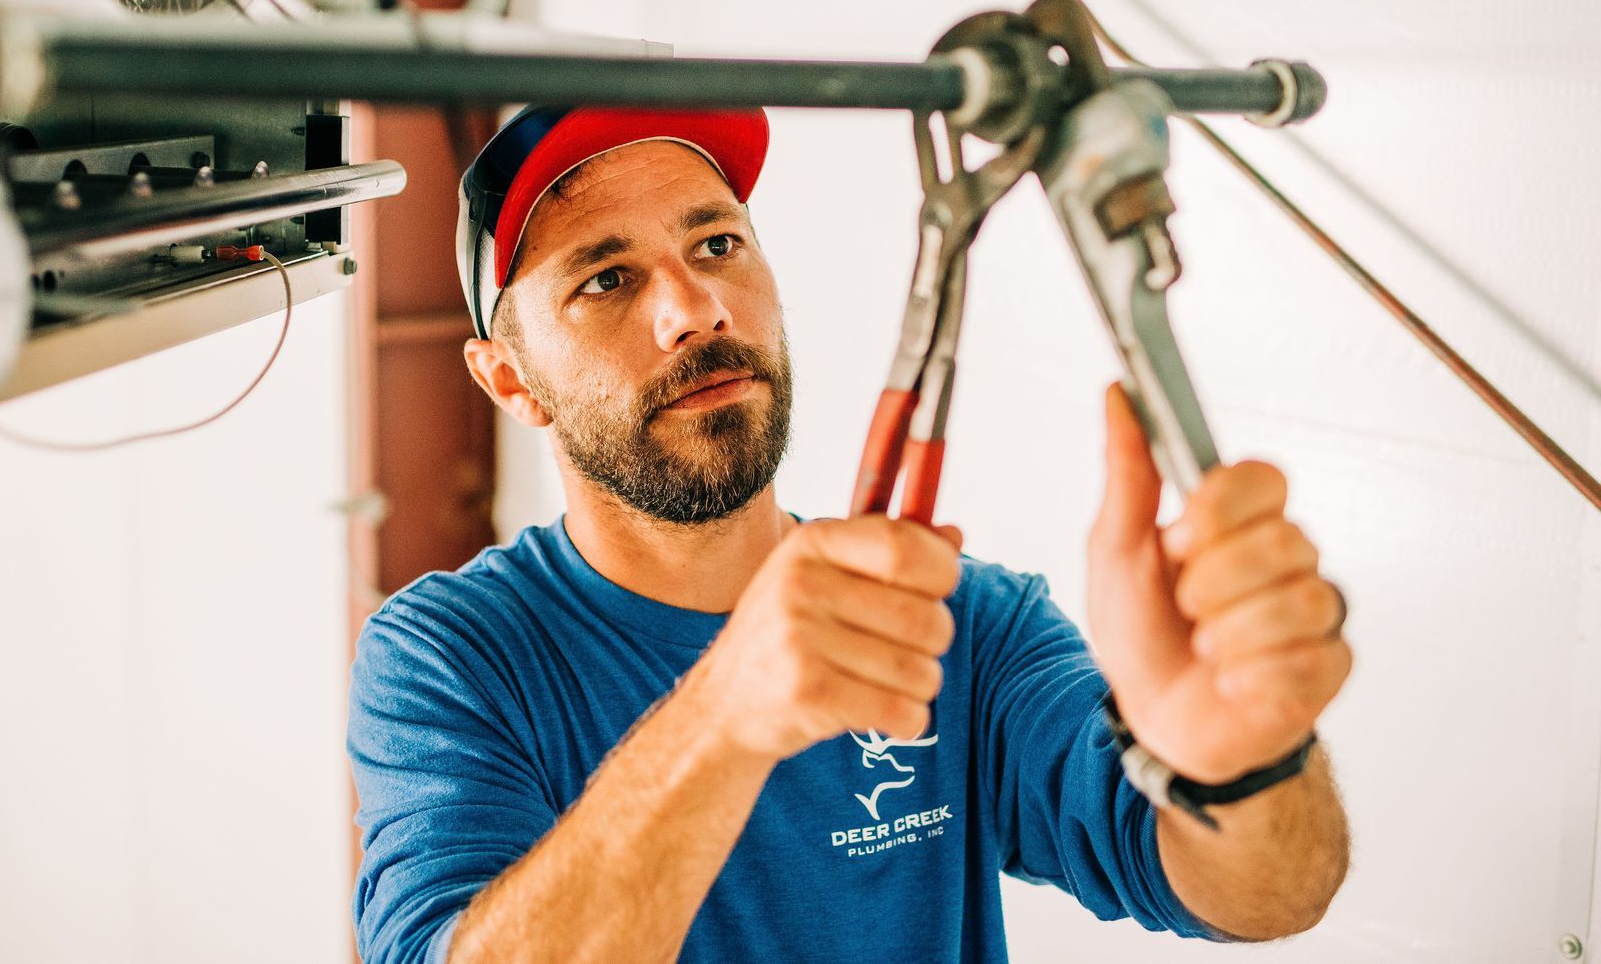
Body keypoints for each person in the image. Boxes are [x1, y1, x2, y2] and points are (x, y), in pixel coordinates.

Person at [349, 105, 1352, 964]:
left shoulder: (962, 619)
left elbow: (1269, 895)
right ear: (511, 381)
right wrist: (726, 714)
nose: (695, 309)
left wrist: (1245, 759)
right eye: (606, 279)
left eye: (717, 245)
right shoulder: (447, 658)